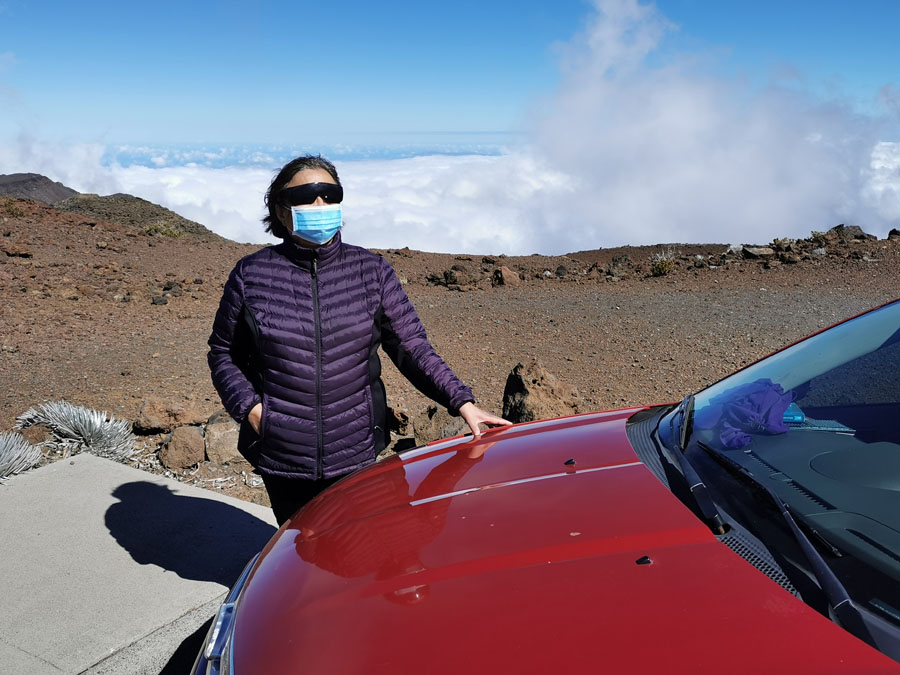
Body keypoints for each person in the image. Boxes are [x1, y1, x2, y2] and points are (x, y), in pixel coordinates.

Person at [208, 155, 509, 525]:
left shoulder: (371, 271)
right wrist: (252, 410)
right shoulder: (251, 275)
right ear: (280, 209)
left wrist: (462, 401)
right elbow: (223, 353)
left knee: (361, 552)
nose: (320, 205)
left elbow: (411, 345)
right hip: (283, 455)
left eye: (330, 194)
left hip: (357, 452)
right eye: (306, 195)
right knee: (302, 553)